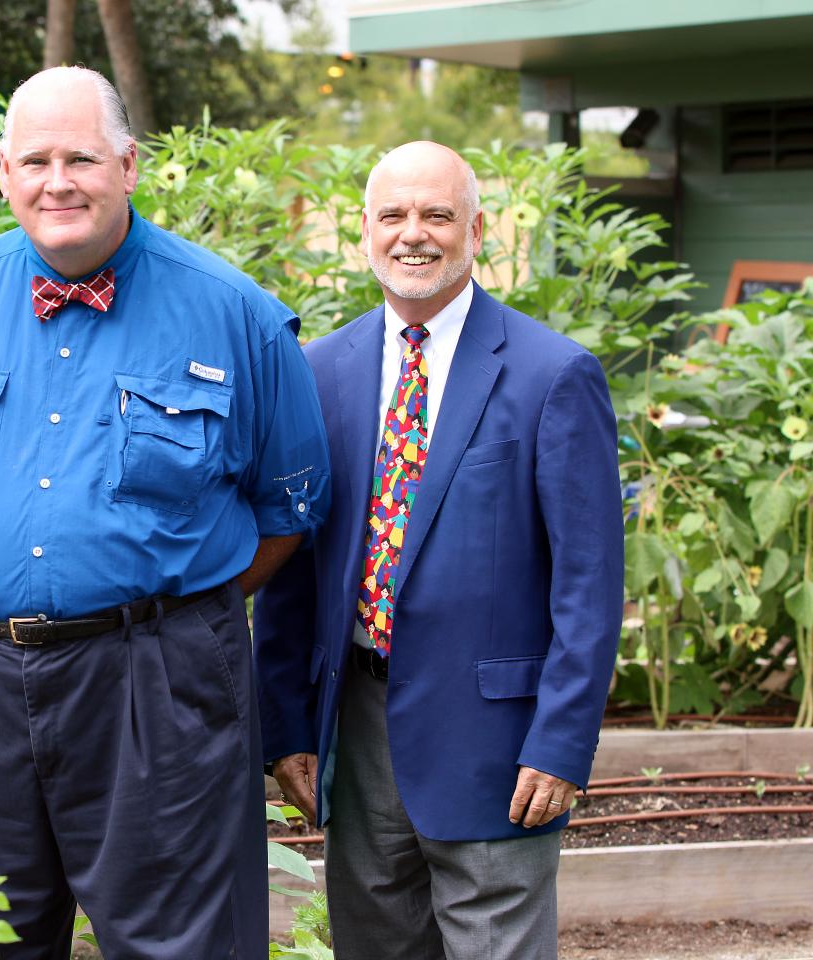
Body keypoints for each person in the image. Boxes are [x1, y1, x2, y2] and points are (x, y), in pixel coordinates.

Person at [0, 66, 330, 959]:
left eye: (81, 157)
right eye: (35, 160)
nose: (58, 181)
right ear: (3, 174)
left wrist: (159, 615)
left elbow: (291, 512)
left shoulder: (235, 314)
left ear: (129, 164)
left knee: (182, 947)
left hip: (156, 688)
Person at [254, 141, 623, 960]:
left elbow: (589, 589)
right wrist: (286, 725)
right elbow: (293, 567)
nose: (412, 234)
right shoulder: (320, 371)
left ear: (477, 230)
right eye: (393, 215)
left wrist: (561, 744)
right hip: (354, 728)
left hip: (498, 743)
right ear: (363, 231)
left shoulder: (553, 375)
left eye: (436, 215)